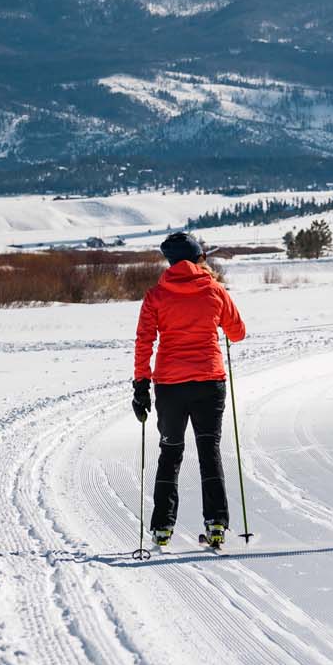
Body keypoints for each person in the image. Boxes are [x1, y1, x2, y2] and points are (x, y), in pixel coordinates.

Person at [133, 232, 247, 548]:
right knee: (209, 452)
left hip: (170, 386)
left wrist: (141, 385)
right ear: (198, 258)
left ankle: (162, 528)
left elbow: (144, 341)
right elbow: (238, 333)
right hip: (210, 382)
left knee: (170, 452)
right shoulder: (214, 290)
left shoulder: (156, 295)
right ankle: (216, 525)